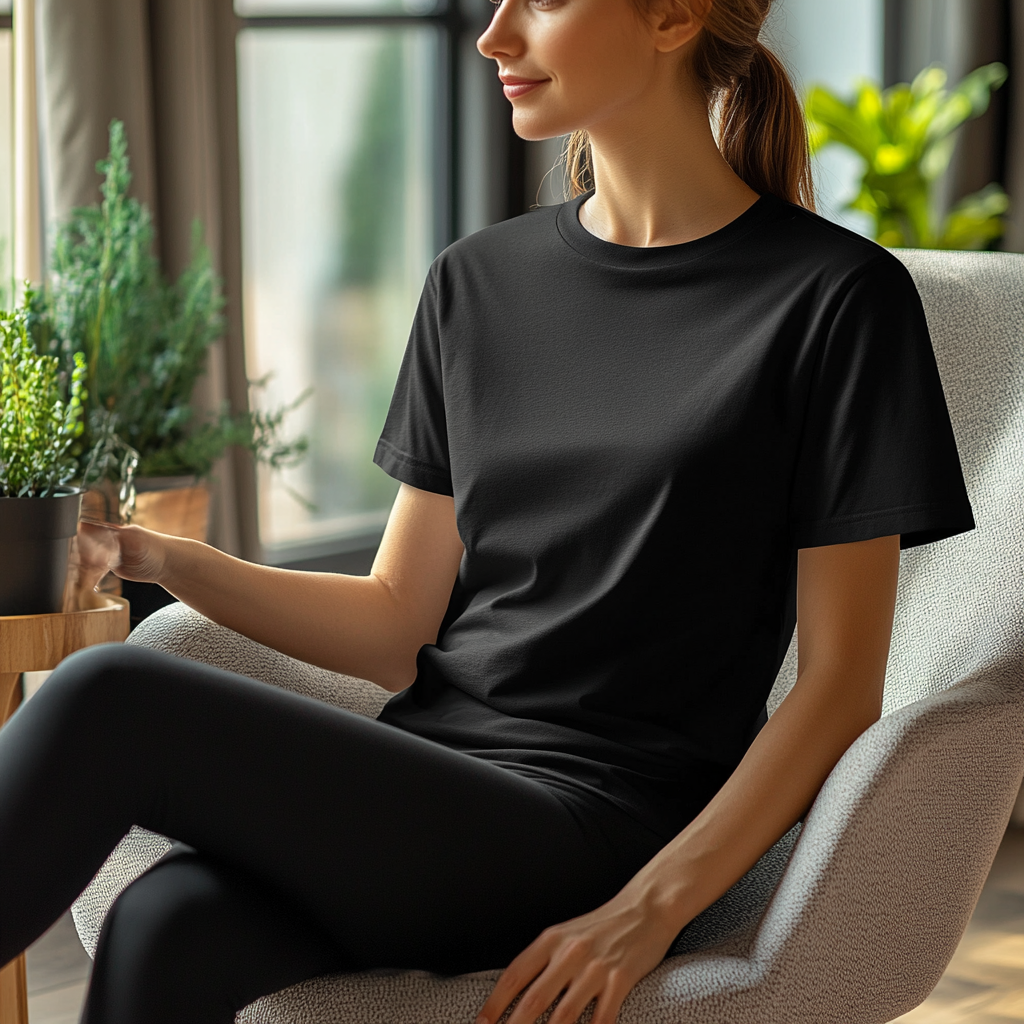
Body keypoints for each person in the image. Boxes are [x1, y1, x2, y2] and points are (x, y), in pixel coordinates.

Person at [0, 0, 975, 1021]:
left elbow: (837, 685)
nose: (494, 35)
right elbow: (394, 622)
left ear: (674, 17)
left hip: (594, 828)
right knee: (168, 924)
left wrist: (647, 907)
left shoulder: (836, 301)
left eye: (541, 1)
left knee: (115, 693)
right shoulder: (477, 282)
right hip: (436, 784)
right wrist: (167, 557)